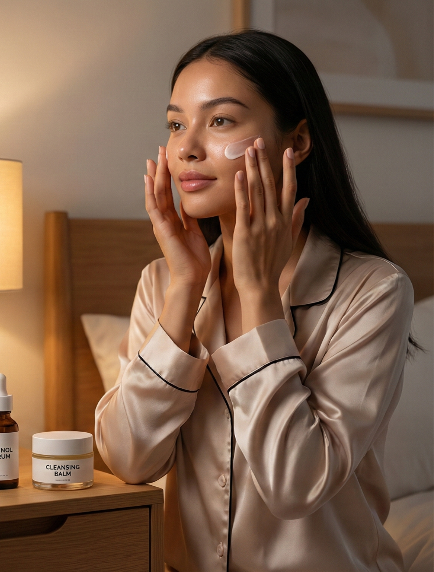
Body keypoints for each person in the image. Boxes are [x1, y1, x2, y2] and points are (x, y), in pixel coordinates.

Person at [94, 29, 420, 572]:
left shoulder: (374, 291)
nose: (188, 148)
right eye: (176, 124)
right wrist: (184, 286)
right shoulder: (161, 283)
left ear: (297, 141)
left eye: (220, 120)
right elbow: (129, 461)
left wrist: (259, 297)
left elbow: (297, 484)